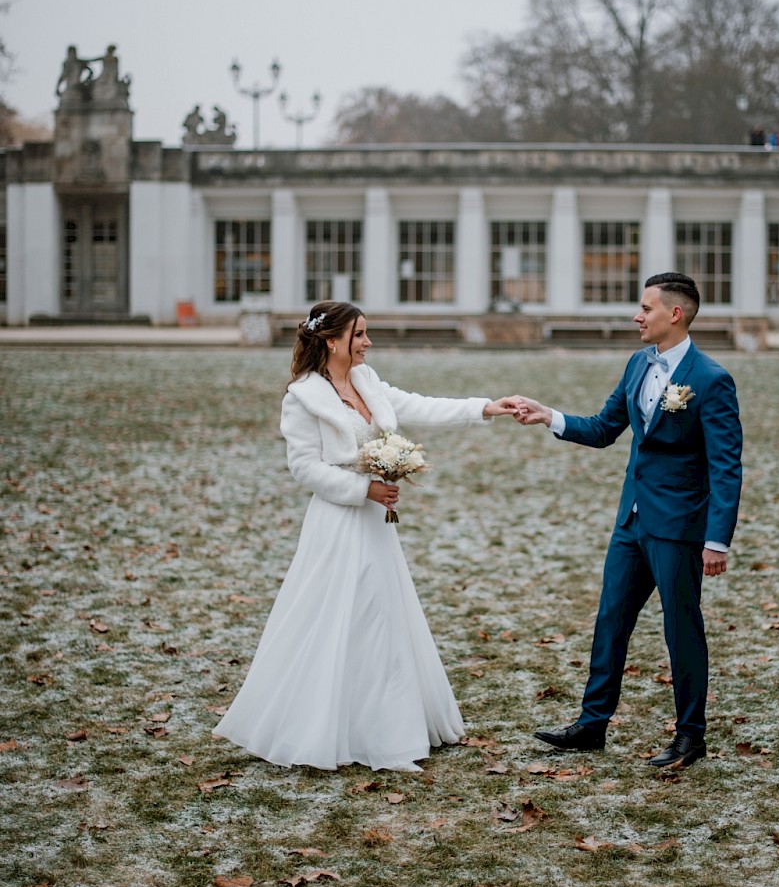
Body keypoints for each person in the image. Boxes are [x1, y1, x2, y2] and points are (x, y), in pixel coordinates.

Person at [213, 302, 517, 772]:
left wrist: (485, 408)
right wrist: (364, 488)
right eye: (359, 335)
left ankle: (384, 724)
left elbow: (418, 405)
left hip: (377, 526)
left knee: (381, 614)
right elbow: (304, 467)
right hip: (337, 522)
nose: (367, 343)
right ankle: (317, 726)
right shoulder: (303, 396)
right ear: (331, 340)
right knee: (332, 616)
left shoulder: (367, 380)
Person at [511, 273, 742, 769]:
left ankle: (690, 737)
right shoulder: (639, 364)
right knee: (611, 620)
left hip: (679, 527)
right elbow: (602, 428)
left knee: (682, 631)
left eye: (645, 308)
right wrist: (547, 414)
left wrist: (717, 539)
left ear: (674, 314)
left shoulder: (710, 380)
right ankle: (592, 724)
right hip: (632, 521)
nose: (637, 317)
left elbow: (726, 465)